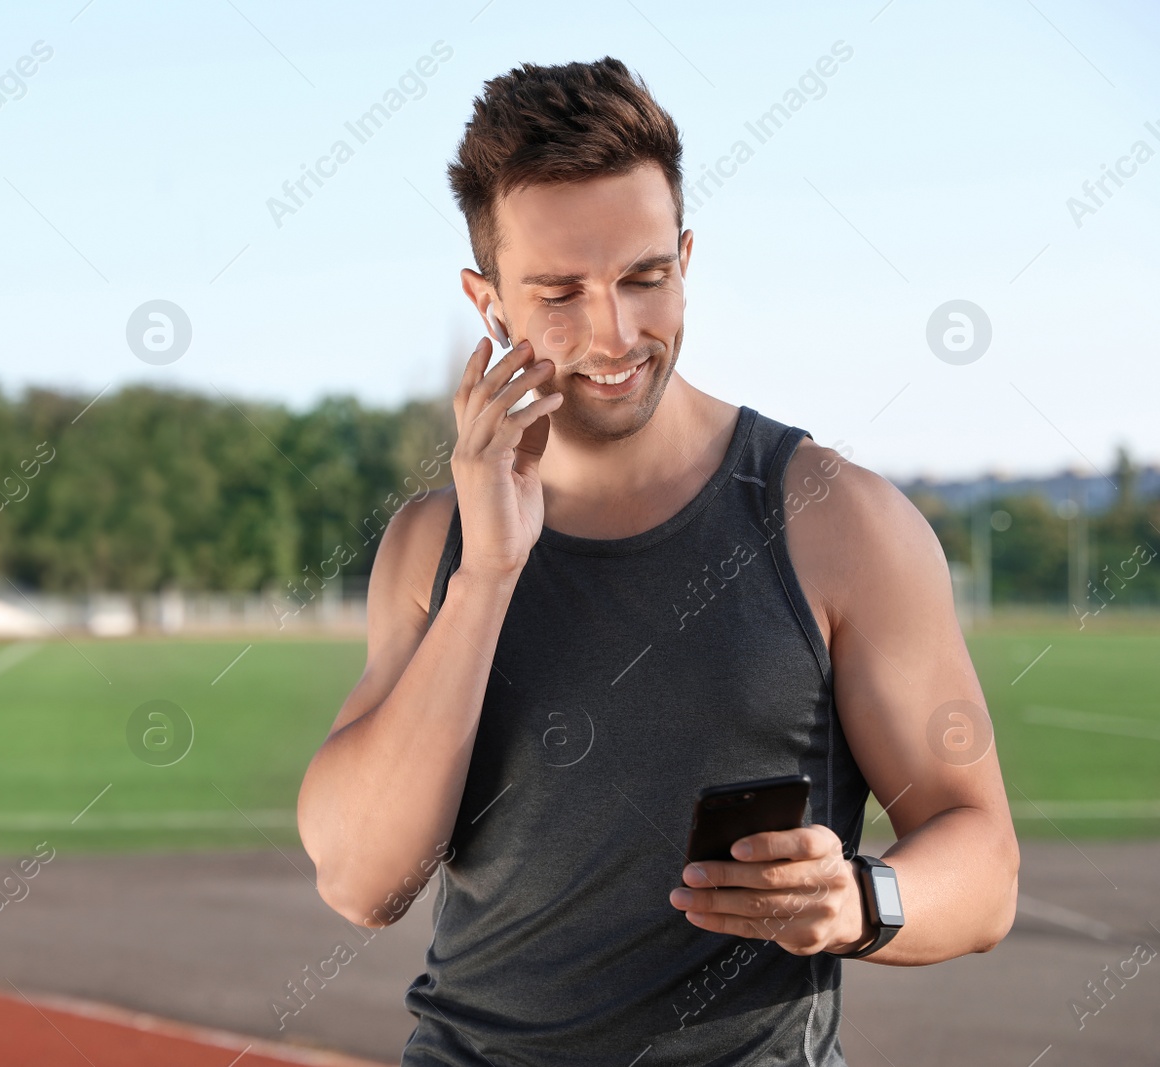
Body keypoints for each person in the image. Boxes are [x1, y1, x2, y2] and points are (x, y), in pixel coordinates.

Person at [295, 56, 1019, 1065]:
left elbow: (981, 860)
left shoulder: (835, 518)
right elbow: (361, 879)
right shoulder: (435, 543)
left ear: (685, 254)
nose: (616, 331)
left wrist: (859, 896)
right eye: (558, 292)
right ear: (486, 300)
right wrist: (490, 571)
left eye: (646, 277)